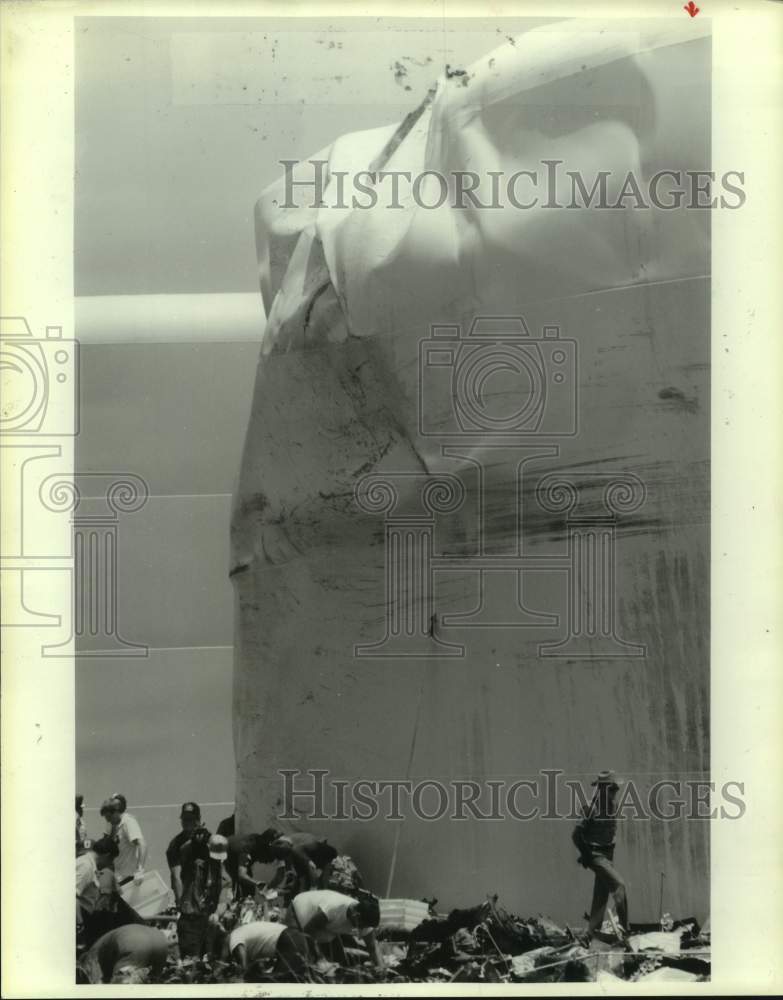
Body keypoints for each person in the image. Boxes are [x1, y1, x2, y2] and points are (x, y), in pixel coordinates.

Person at [572, 769, 630, 942]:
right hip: (595, 854)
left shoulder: (612, 806)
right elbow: (576, 835)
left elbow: (608, 832)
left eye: (616, 790)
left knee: (601, 895)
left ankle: (591, 934)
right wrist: (586, 855)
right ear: (602, 789)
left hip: (607, 854)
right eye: (612, 789)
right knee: (619, 886)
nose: (615, 792)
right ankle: (626, 932)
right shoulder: (590, 807)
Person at [226, 828, 336, 900]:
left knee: (306, 888)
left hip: (321, 856)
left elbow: (309, 870)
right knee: (242, 884)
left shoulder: (287, 849)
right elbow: (242, 875)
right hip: (229, 855)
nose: (266, 862)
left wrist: (313, 888)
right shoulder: (250, 849)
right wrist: (266, 887)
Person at [76, 835, 145, 948]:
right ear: (107, 856)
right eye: (111, 860)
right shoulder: (86, 866)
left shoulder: (87, 865)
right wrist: (79, 927)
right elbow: (72, 898)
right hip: (81, 918)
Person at [287, 888, 382, 968]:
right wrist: (319, 958)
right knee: (298, 957)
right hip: (299, 910)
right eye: (361, 925)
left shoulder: (364, 919)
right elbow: (308, 931)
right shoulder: (334, 907)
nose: (361, 928)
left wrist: (380, 967)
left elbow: (372, 946)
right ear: (355, 914)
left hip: (326, 925)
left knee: (338, 959)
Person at [176, 831, 233, 958]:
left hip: (208, 925)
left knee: (207, 965)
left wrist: (217, 914)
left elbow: (224, 901)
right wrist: (194, 840)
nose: (216, 861)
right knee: (189, 963)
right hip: (190, 921)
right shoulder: (194, 865)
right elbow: (183, 851)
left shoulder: (224, 877)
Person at [77, 924, 170, 984]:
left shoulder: (92, 959)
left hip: (133, 943)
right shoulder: (97, 951)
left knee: (120, 987)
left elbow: (99, 983)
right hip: (159, 942)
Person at [226, 920, 314, 981]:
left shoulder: (233, 939)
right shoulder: (239, 932)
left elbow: (244, 968)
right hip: (293, 938)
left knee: (279, 986)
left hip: (289, 940)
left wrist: (239, 973)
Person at [165, 801, 209, 908]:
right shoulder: (175, 845)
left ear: (198, 819)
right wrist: (181, 904)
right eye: (185, 819)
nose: (187, 822)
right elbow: (176, 877)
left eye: (191, 819)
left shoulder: (208, 839)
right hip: (188, 893)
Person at [100, 795, 147, 885]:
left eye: (109, 818)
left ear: (116, 812)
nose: (109, 821)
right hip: (117, 878)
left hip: (129, 877)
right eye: (107, 819)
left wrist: (140, 869)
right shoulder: (111, 824)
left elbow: (142, 844)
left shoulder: (128, 822)